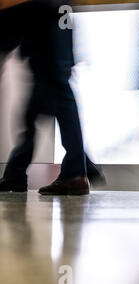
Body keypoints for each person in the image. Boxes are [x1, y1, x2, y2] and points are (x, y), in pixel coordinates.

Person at [0, 1, 96, 195]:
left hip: (47, 40)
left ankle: (76, 173)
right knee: (33, 114)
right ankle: (17, 175)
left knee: (59, 104)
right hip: (52, 40)